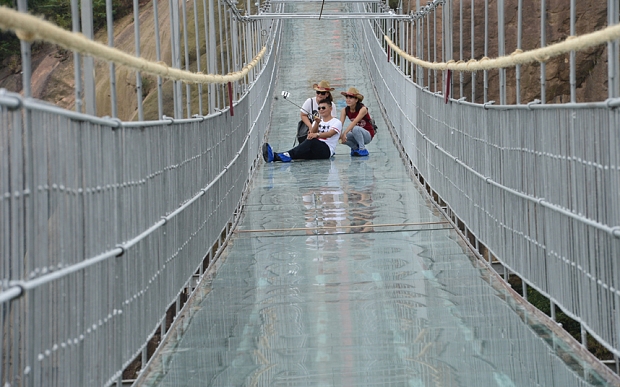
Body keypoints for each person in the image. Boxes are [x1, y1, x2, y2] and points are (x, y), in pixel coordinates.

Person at [263, 98, 341, 162]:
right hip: (315, 149)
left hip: (326, 150)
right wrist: (317, 124)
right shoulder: (316, 121)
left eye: (323, 108)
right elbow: (312, 133)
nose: (321, 110)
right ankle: (275, 156)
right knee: (300, 154)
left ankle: (285, 155)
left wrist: (317, 134)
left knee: (312, 141)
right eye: (319, 108)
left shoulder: (336, 122)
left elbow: (330, 134)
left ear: (330, 109)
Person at [339, 87, 376, 156]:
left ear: (356, 100)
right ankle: (355, 148)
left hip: (367, 135)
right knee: (339, 136)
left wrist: (345, 133)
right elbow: (340, 124)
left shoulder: (363, 109)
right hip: (356, 134)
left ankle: (362, 149)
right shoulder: (344, 110)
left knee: (355, 128)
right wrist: (341, 135)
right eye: (347, 97)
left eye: (351, 98)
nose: (348, 100)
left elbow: (354, 122)